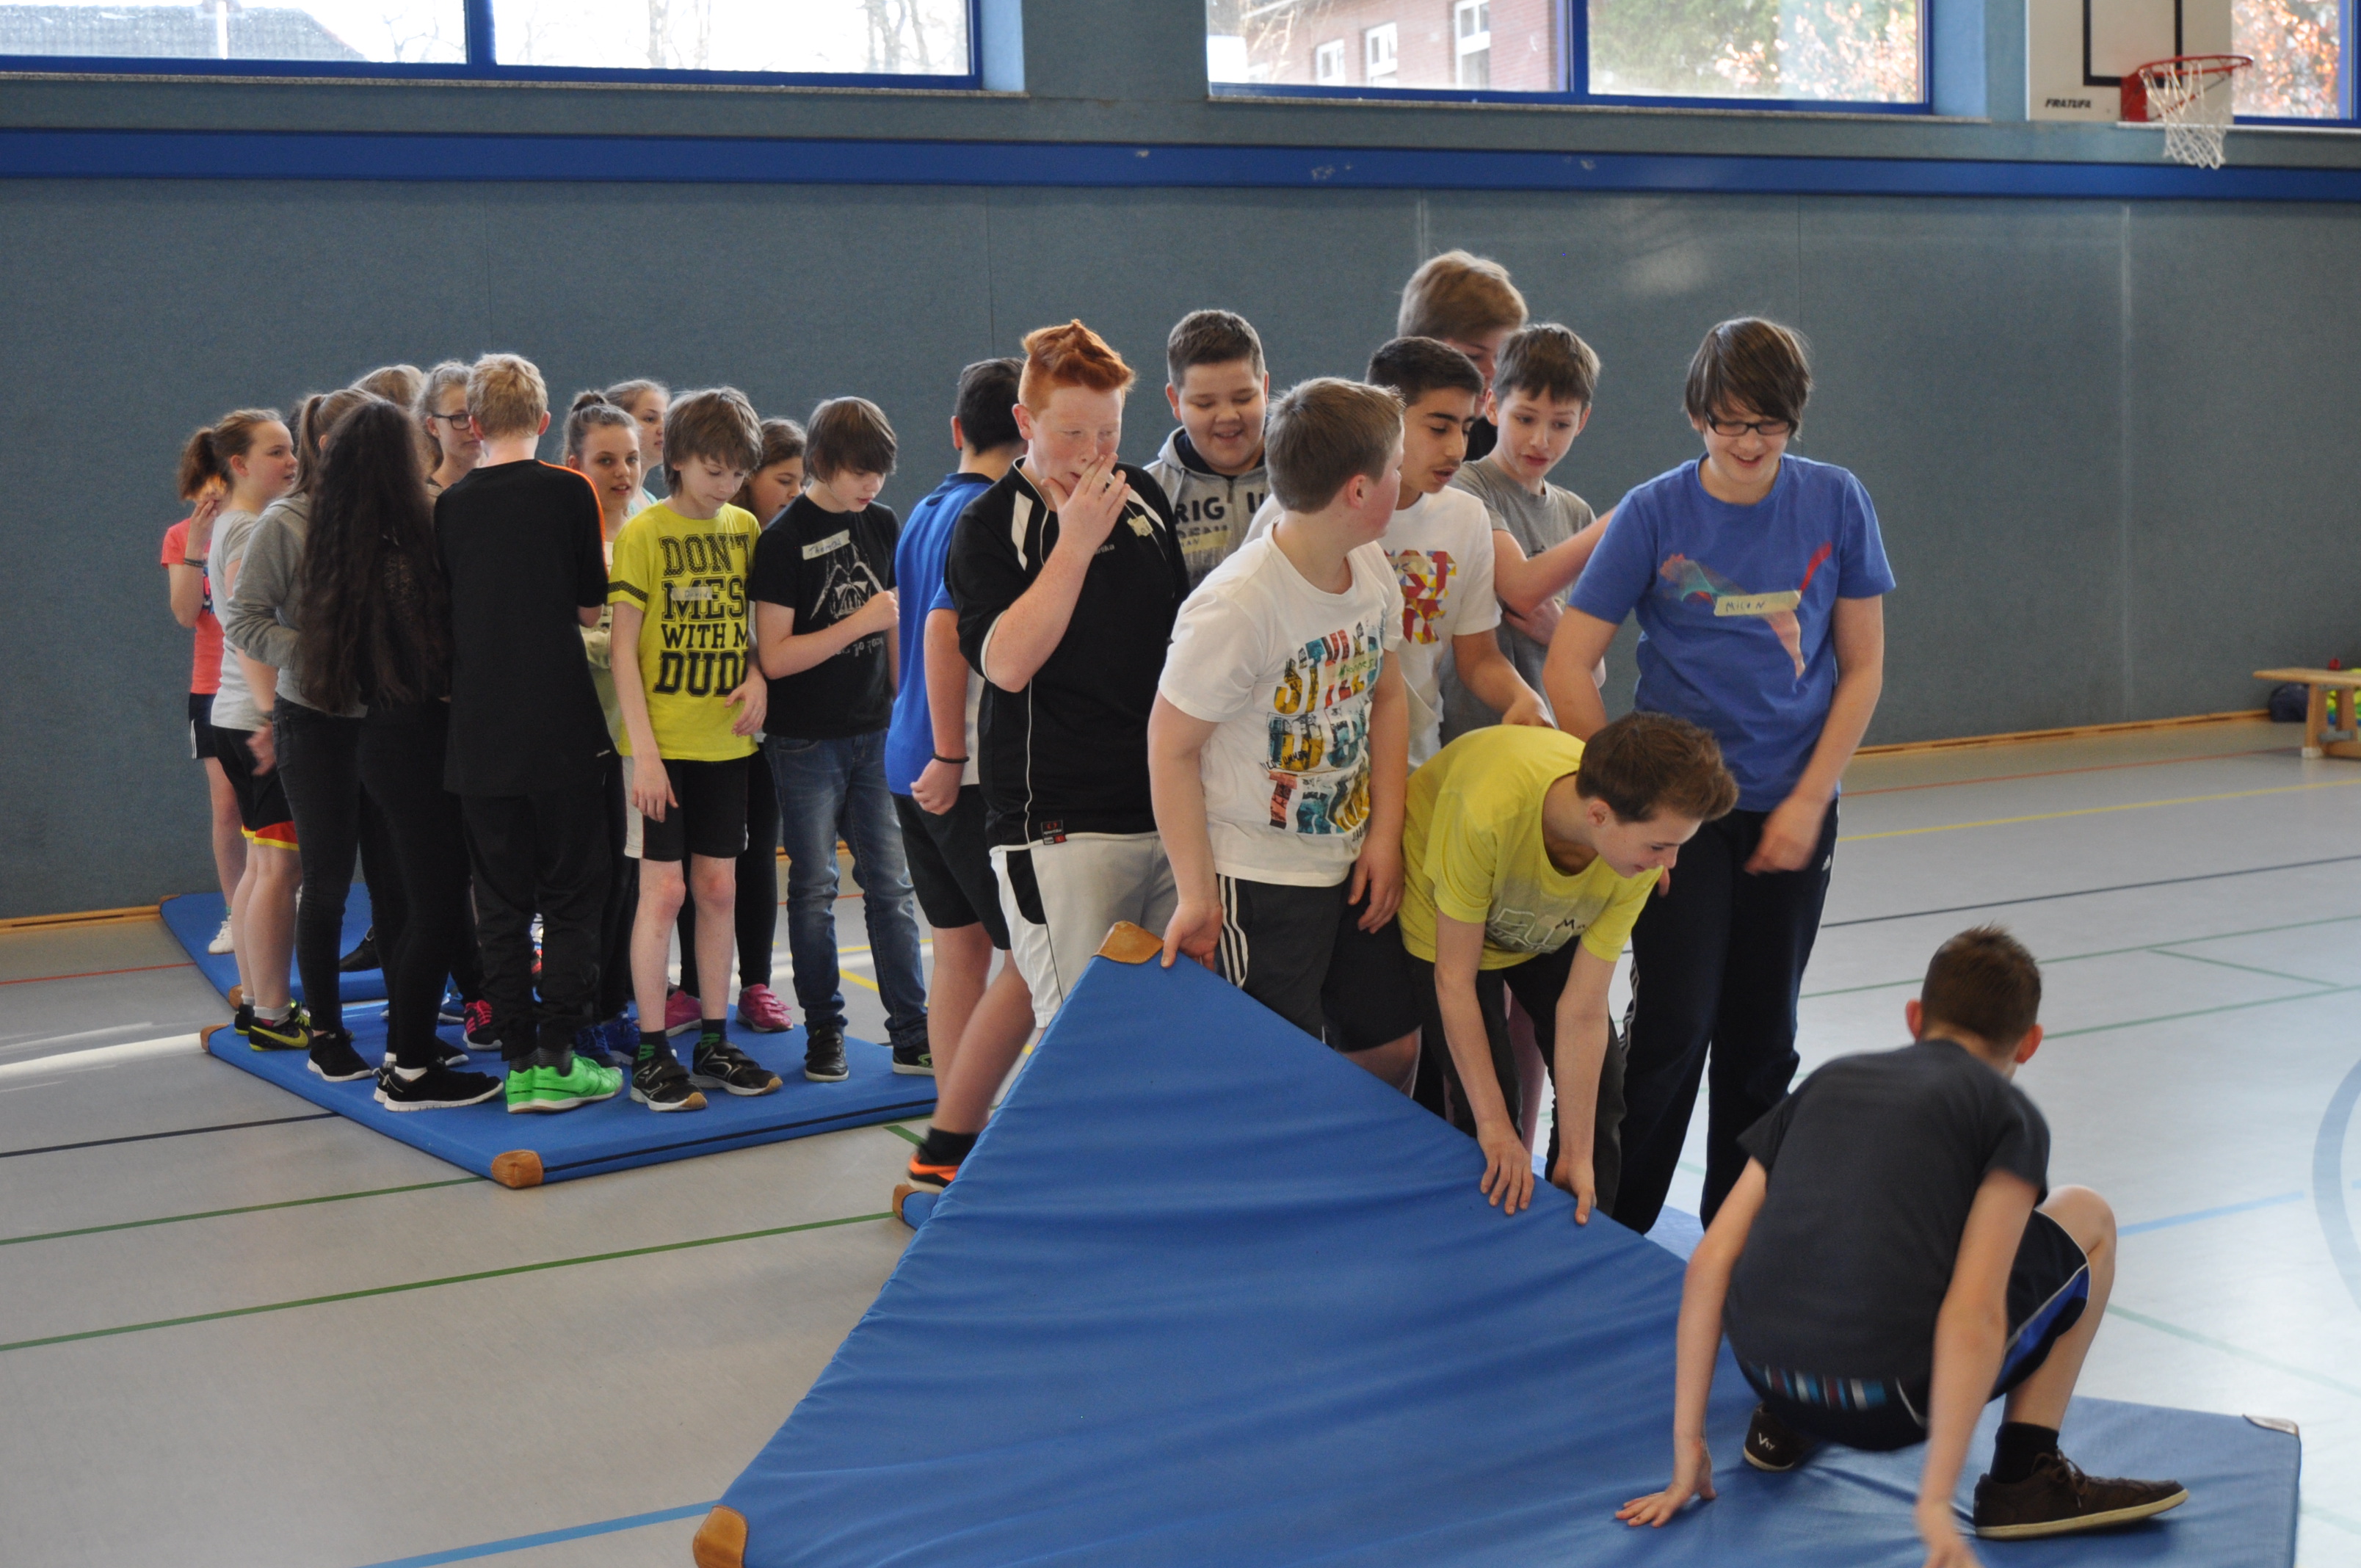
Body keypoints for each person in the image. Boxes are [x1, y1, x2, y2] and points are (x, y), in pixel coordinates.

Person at [1617, 927, 2188, 1558]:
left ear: (1915, 1018)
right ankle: (2025, 1475)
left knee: (1865, 1214)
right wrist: (1933, 1502)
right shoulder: (2008, 1116)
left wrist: (1688, 1446)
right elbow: (1974, 1313)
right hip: (1890, 1403)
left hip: (1770, 1376)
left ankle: (1785, 1427)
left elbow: (1711, 1260)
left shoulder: (1828, 1081)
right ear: (2029, 1044)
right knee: (2088, 1216)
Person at [1548, 317, 1893, 1235]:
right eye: (1728, 422)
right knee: (1672, 1028)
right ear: (1697, 414)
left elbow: (1862, 666)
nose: (1746, 443)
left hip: (1791, 804)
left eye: (1768, 424)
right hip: (1680, 823)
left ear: (1795, 419)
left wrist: (1809, 801)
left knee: (1762, 1040)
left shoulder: (1837, 502)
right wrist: (1628, 807)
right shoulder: (1655, 511)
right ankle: (1610, 1227)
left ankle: (1734, 1241)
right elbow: (1569, 663)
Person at [1149, 377, 1420, 1091]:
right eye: (1397, 468)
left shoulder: (1369, 564)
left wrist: (1385, 835)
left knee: (1392, 1047)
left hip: (1349, 858)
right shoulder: (1238, 605)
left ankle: (1349, 1159)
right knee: (1273, 1075)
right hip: (1260, 878)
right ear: (1358, 490)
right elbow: (1170, 747)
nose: (1406, 481)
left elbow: (1389, 696)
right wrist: (1197, 895)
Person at [942, 319, 1188, 1084]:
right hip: (1058, 823)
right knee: (1080, 1043)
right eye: (1072, 433)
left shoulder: (1143, 495)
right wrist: (1074, 540)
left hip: (1162, 809)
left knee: (1164, 1030)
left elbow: (1177, 641)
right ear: (1025, 422)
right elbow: (1008, 665)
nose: (1093, 453)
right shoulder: (989, 525)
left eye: (1108, 432)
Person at [1397, 714, 1735, 1217]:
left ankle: (1581, 1227)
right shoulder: (1487, 814)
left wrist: (1577, 1154)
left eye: (1677, 846)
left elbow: (1581, 1009)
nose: (1669, 865)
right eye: (1660, 846)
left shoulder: (1634, 858)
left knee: (1601, 1095)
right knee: (1489, 1107)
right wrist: (1495, 1128)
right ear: (1598, 815)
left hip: (1538, 914)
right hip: (1447, 917)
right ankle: (1490, 1240)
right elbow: (1454, 981)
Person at [299, 398, 502, 1108]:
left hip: (386, 741)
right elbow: (426, 654)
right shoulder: (397, 552)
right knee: (437, 907)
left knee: (428, 904)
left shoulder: (345, 543)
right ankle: (411, 1067)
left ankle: (404, 1054)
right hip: (413, 740)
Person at [437, 353, 625, 1114]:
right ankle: (559, 1052)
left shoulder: (451, 506)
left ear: (474, 424)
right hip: (561, 726)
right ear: (545, 421)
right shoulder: (570, 491)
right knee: (576, 893)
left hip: (480, 732)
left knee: (501, 900)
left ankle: (517, 1059)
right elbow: (590, 608)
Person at [1254, 337, 1550, 765]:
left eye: (1467, 428)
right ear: (1385, 419)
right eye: (1439, 428)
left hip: (1415, 761)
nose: (1457, 449)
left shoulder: (1468, 517)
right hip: (1306, 764)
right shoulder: (1300, 511)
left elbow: (1478, 657)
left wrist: (1523, 698)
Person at [610, 385, 780, 1108]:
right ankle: (653, 1050)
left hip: (725, 744)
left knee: (718, 889)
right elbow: (622, 652)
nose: (727, 486)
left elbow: (753, 627)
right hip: (662, 746)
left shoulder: (744, 528)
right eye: (714, 471)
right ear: (677, 460)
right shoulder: (645, 534)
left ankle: (714, 1038)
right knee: (664, 892)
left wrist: (758, 676)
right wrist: (645, 754)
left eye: (738, 473)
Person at [891, 358, 1038, 1193]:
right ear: (1030, 429)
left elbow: (903, 635)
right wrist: (952, 755)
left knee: (959, 950)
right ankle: (960, 1130)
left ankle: (957, 1130)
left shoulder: (922, 508)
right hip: (961, 768)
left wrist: (919, 738)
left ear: (956, 431)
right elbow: (944, 634)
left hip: (907, 753)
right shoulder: (990, 515)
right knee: (1030, 958)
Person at [752, 396, 929, 1081]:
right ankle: (824, 1029)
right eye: (859, 472)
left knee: (891, 884)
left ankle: (911, 1029)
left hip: (874, 733)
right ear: (823, 463)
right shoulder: (784, 539)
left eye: (880, 472)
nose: (871, 485)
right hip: (804, 742)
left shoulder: (881, 522)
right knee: (815, 886)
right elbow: (775, 657)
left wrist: (905, 709)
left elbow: (895, 629)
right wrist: (859, 623)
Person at [226, 385, 383, 1085]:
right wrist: (317, 653)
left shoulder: (394, 518)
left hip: (388, 723)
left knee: (397, 881)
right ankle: (324, 1032)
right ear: (331, 448)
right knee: (325, 881)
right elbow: (245, 620)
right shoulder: (285, 523)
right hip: (315, 722)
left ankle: (412, 1035)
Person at [669, 417, 805, 1039]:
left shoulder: (772, 539)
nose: (794, 493)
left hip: (759, 731)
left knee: (752, 859)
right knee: (693, 866)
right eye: (784, 480)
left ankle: (755, 983)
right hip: (699, 728)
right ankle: (695, 987)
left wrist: (759, 677)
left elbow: (762, 639)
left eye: (801, 481)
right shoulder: (722, 531)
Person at [1443, 323, 1611, 741]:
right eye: (1525, 419)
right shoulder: (1467, 486)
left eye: (1560, 425)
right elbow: (1520, 589)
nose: (1541, 441)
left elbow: (1597, 671)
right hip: (1473, 737)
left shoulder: (1577, 514)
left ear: (1583, 421)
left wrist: (1560, 634)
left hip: (1546, 739)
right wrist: (1627, 516)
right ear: (1492, 406)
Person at [195, 410, 303, 1047]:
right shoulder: (247, 529)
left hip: (237, 716)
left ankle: (259, 1003)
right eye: (276, 452)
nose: (291, 462)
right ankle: (271, 1014)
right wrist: (270, 715)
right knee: (279, 873)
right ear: (238, 465)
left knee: (264, 868)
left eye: (292, 450)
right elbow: (248, 627)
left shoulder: (241, 523)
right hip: (253, 720)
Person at [563, 390, 650, 1060]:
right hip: (583, 735)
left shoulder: (651, 527)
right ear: (574, 465)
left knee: (633, 878)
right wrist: (624, 645)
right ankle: (580, 1012)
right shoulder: (565, 539)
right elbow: (564, 634)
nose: (623, 473)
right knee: (589, 881)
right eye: (606, 460)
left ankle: (617, 1004)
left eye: (632, 458)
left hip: (643, 734)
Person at [163, 458, 239, 954]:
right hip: (212, 685)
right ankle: (238, 911)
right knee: (227, 803)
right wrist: (196, 543)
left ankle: (285, 891)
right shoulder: (181, 536)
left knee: (282, 801)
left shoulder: (262, 524)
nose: (212, 491)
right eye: (202, 482)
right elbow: (186, 613)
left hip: (271, 679)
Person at [1145, 308, 1270, 588]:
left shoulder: (1314, 478)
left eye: (1243, 398)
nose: (1227, 416)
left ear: (1264, 388)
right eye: (1205, 404)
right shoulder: (1148, 496)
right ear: (1175, 401)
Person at [1396, 249, 1527, 464]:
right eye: (1473, 357)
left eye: (1501, 357)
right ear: (1419, 352)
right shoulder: (1370, 436)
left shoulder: (1496, 433)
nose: (1493, 373)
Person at [418, 360, 483, 496]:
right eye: (460, 418)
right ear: (433, 426)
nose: (474, 430)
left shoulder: (506, 489)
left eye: (481, 415)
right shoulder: (422, 499)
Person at [607, 377, 670, 514]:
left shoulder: (650, 500)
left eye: (667, 419)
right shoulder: (610, 498)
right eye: (650, 419)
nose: (663, 429)